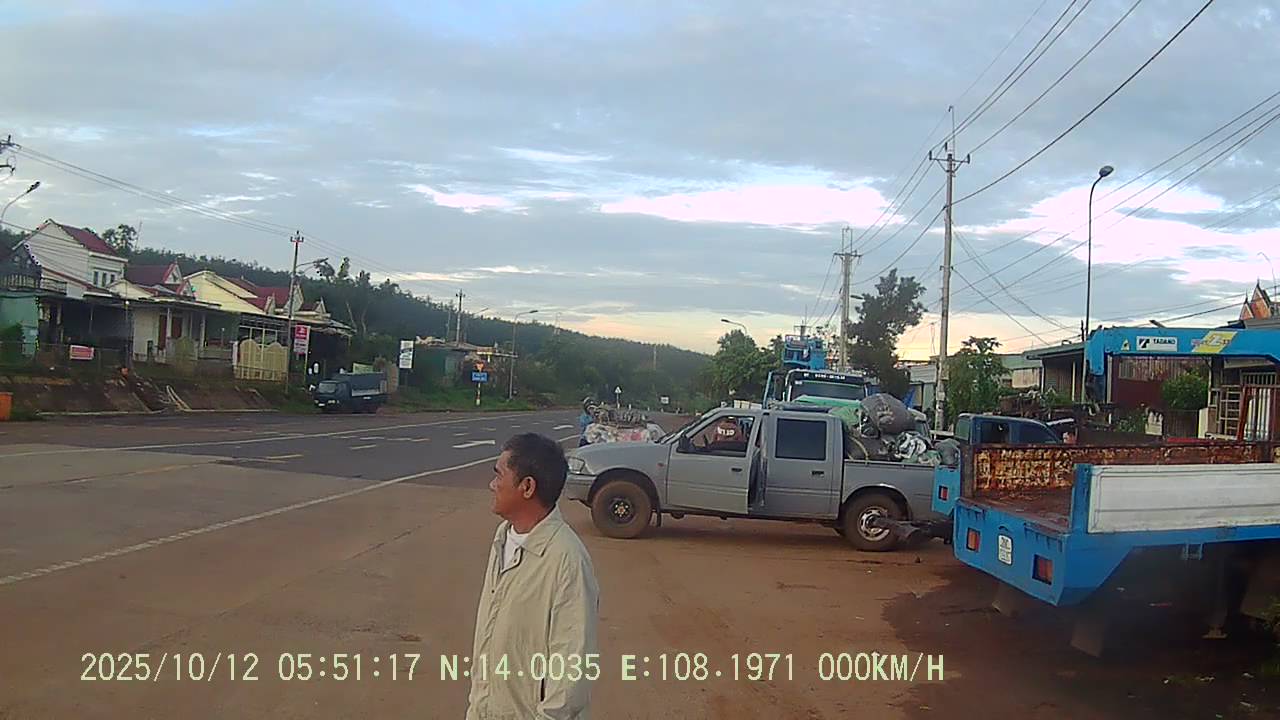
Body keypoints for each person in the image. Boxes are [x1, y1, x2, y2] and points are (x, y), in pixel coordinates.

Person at [467, 433, 600, 720]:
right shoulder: (503, 538)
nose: (492, 485)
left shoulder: (566, 559)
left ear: (527, 487)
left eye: (499, 475)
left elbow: (571, 670)